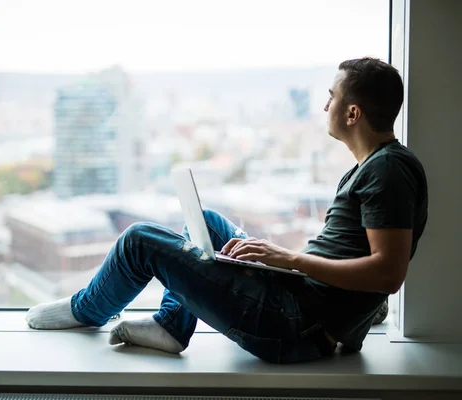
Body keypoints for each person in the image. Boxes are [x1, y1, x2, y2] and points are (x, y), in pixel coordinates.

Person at [25, 58, 428, 364]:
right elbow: (358, 257)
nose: (326, 106)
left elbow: (388, 273)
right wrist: (277, 263)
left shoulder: (386, 170)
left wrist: (288, 259)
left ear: (353, 113)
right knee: (209, 224)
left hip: (293, 326)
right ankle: (171, 325)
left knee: (139, 241)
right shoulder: (374, 166)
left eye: (332, 97)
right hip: (300, 306)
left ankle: (84, 310)